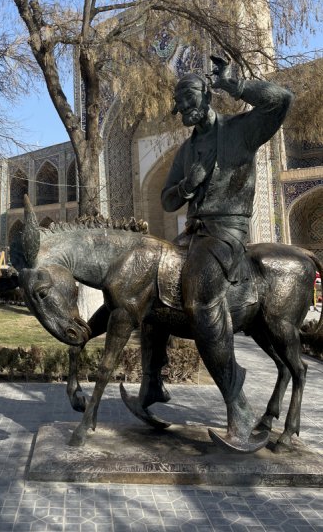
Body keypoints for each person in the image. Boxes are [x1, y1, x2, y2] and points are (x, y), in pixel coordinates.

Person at [142, 55, 293, 452]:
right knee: (149, 292)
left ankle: (238, 406)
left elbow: (282, 99)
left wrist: (236, 86)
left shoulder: (240, 130)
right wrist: (186, 187)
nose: (184, 111)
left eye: (189, 101)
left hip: (226, 233)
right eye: (179, 106)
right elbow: (167, 199)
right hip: (193, 234)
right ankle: (151, 385)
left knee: (200, 301)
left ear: (207, 95)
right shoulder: (186, 150)